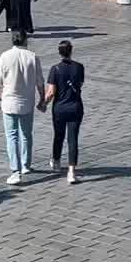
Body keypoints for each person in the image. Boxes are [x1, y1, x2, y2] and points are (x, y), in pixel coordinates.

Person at [0, 31, 46, 184]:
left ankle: (15, 170)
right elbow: (40, 82)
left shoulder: (5, 56)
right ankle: (26, 164)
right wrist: (42, 99)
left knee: (12, 136)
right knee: (26, 134)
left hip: (8, 102)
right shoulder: (33, 57)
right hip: (27, 102)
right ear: (25, 40)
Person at [45, 39, 85, 184]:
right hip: (75, 107)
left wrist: (43, 104)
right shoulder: (79, 67)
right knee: (73, 139)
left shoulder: (55, 69)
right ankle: (71, 172)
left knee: (59, 135)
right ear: (71, 50)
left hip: (59, 109)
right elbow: (80, 84)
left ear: (59, 52)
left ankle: (56, 162)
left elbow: (50, 92)